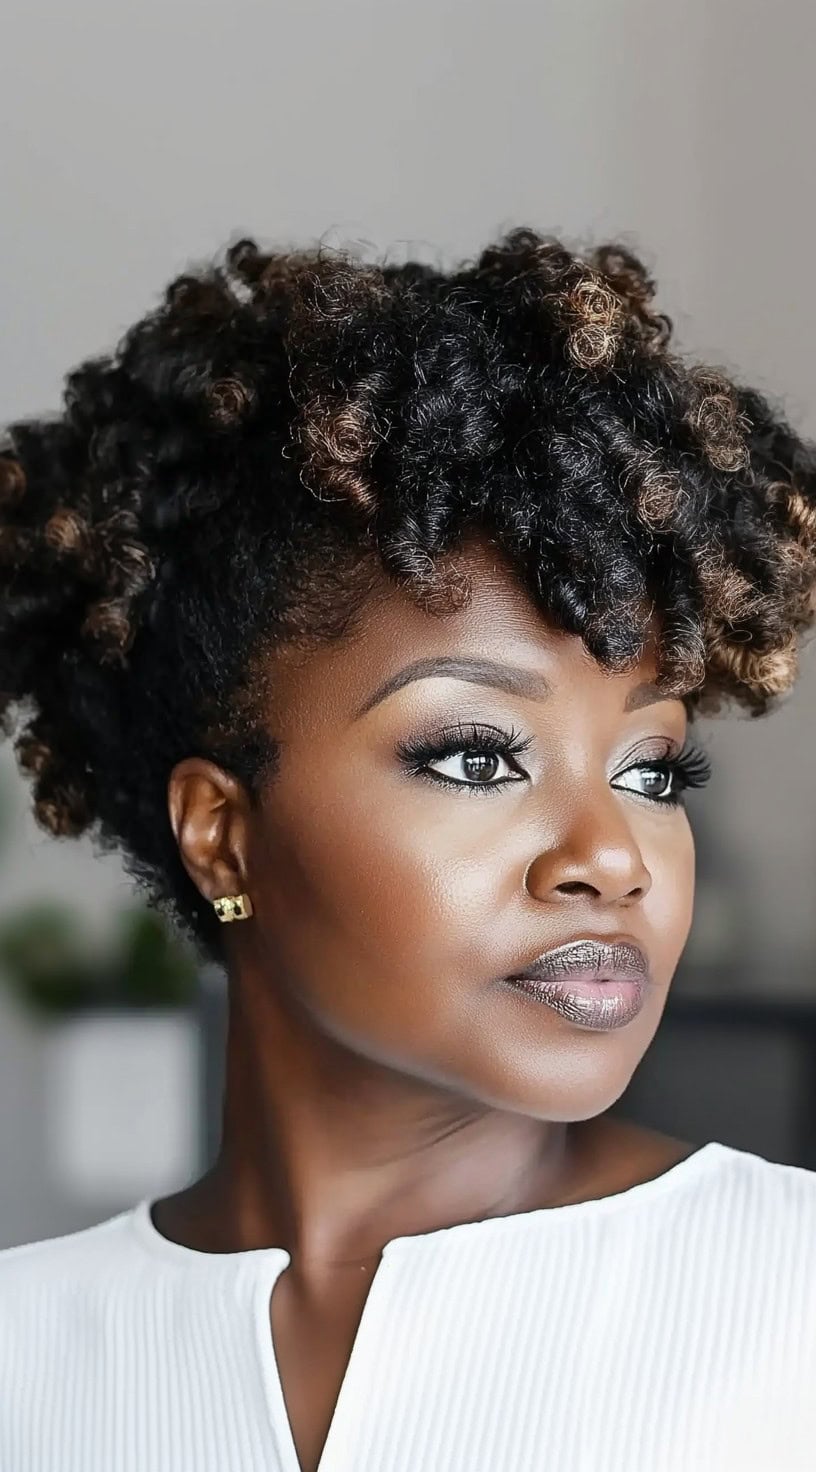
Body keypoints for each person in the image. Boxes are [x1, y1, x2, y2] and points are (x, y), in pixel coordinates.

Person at [0, 228, 815, 1472]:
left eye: (654, 768)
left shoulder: (790, 1305)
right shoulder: (27, 1354)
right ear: (222, 836)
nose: (612, 854)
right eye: (479, 755)